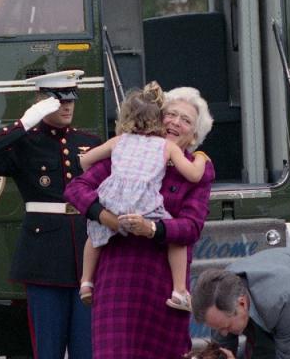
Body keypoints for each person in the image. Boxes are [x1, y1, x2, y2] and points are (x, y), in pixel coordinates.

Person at [65, 86, 215, 359]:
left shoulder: (197, 167)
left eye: (186, 120)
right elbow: (76, 189)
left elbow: (192, 227)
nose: (175, 123)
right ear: (158, 117)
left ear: (195, 135)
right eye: (170, 114)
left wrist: (153, 229)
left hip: (163, 286)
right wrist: (105, 217)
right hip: (117, 281)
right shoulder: (127, 152)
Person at [0, 70, 100, 359]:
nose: (67, 106)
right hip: (44, 258)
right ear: (42, 101)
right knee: (48, 348)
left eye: (71, 99)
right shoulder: (24, 143)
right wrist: (24, 123)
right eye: (58, 100)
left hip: (87, 253)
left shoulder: (89, 143)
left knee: (88, 349)